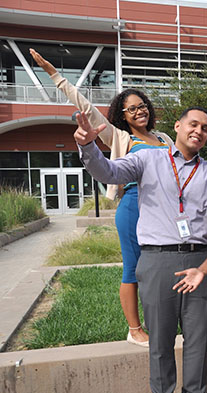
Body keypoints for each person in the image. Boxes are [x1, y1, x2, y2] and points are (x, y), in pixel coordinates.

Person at [74, 107, 207, 393]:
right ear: (178, 127)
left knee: (197, 337)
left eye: (206, 128)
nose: (199, 130)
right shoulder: (147, 158)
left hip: (199, 261)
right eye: (193, 124)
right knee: (161, 340)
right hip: (156, 260)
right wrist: (87, 146)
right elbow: (107, 171)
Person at [30, 48, 175, 348]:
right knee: (134, 267)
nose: (139, 111)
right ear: (122, 115)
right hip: (134, 206)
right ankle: (134, 329)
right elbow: (84, 105)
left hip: (165, 209)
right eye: (132, 109)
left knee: (160, 267)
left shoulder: (164, 139)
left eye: (142, 106)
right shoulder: (120, 137)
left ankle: (158, 321)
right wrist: (54, 75)